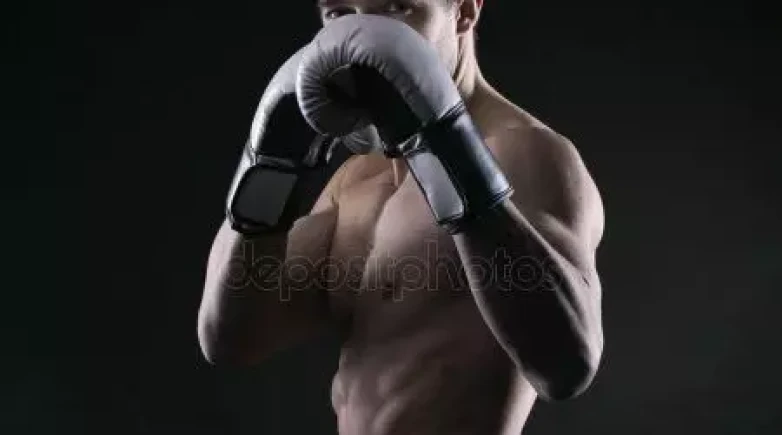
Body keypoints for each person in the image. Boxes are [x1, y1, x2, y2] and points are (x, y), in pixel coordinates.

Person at [198, 1, 605, 434]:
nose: (365, 35)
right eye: (340, 13)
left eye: (397, 8)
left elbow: (567, 367)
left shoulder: (526, 154)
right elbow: (230, 339)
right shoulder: (356, 179)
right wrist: (268, 167)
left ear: (464, 11)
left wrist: (455, 161)